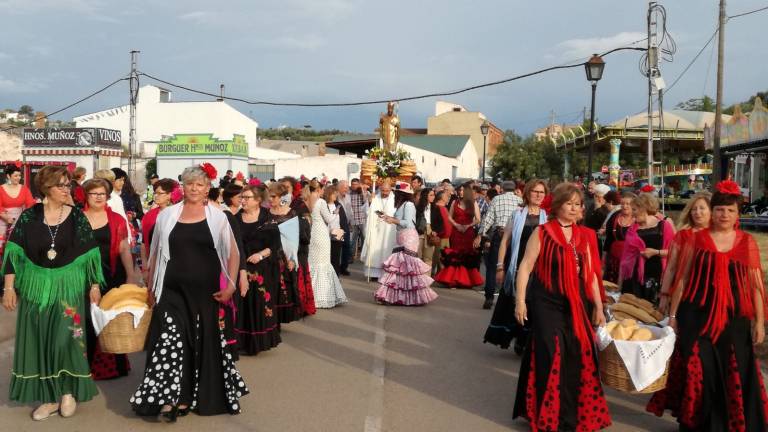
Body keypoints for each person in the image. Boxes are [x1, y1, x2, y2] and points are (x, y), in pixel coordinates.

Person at [648, 181, 767, 430]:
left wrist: (760, 322)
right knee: (700, 367)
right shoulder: (697, 239)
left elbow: (756, 286)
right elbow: (681, 279)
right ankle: (698, 423)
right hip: (695, 315)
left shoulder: (747, 242)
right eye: (720, 210)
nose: (724, 215)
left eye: (730, 210)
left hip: (734, 319)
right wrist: (672, 314)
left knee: (729, 369)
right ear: (713, 212)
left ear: (737, 214)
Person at [132, 165, 247, 420]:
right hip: (170, 290)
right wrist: (151, 285)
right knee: (169, 341)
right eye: (189, 183)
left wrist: (229, 286)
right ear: (182, 187)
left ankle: (194, 395)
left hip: (205, 294)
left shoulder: (218, 216)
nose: (194, 188)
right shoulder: (167, 216)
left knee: (198, 342)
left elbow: (233, 253)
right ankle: (171, 398)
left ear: (207, 188)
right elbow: (155, 252)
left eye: (199, 184)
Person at [2, 165, 104, 421]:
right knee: (39, 341)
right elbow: (13, 254)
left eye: (68, 185)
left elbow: (91, 253)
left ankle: (68, 391)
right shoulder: (29, 217)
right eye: (61, 185)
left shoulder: (76, 217)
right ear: (46, 188)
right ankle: (48, 398)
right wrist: (9, 288)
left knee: (65, 339)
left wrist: (93, 285)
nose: (66, 189)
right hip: (35, 290)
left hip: (67, 289)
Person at [512, 182, 610, 431]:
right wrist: (520, 301)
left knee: (576, 352)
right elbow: (525, 267)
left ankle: (570, 412)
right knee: (550, 349)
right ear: (557, 206)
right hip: (546, 300)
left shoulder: (586, 235)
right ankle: (546, 412)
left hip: (577, 302)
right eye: (569, 203)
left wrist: (599, 306)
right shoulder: (543, 232)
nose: (574, 208)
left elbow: (590, 276)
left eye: (578, 204)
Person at [483, 180, 548, 352]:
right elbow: (505, 242)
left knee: (533, 304)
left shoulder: (548, 217)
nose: (538, 195)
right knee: (515, 303)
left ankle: (525, 340)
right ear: (527, 193)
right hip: (517, 265)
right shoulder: (518, 214)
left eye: (542, 192)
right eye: (535, 191)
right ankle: (518, 339)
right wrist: (500, 266)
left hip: (539, 268)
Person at [81, 178, 134, 380]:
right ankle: (84, 367)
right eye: (94, 193)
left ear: (107, 196)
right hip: (83, 276)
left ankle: (114, 367)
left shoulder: (117, 220)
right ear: (86, 196)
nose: (98, 197)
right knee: (87, 320)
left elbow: (123, 248)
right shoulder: (78, 218)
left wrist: (130, 275)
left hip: (112, 274)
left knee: (111, 321)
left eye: (102, 194)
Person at [235, 184, 281, 355]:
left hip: (261, 269)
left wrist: (261, 255)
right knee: (242, 303)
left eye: (247, 197)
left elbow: (275, 245)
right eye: (242, 197)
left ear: (258, 200)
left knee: (259, 303)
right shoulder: (235, 219)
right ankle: (240, 342)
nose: (243, 200)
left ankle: (258, 342)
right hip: (240, 267)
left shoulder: (267, 219)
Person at [374, 181, 438, 305]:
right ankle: (403, 297)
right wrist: (389, 218)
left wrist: (392, 220)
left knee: (406, 268)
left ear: (400, 193)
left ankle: (405, 297)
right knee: (402, 269)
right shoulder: (404, 204)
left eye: (396, 192)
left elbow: (408, 223)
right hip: (403, 236)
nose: (394, 194)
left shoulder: (408, 204)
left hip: (408, 237)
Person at [657, 191, 711, 315]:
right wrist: (664, 295)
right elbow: (671, 268)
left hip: (711, 294)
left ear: (711, 210)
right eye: (694, 209)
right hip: (686, 293)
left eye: (702, 208)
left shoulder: (719, 236)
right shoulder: (683, 236)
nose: (697, 212)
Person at [618, 193, 674, 304]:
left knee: (653, 313)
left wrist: (656, 252)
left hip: (656, 276)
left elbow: (674, 252)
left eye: (634, 209)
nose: (632, 213)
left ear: (644, 207)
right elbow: (625, 259)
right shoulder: (632, 230)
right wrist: (619, 285)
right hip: (634, 279)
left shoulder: (663, 226)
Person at [475, 180, 523, 309]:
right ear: (514, 189)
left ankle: (489, 296)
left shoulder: (496, 199)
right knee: (511, 266)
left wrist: (481, 234)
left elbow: (488, 218)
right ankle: (507, 297)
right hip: (514, 234)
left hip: (499, 233)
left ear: (502, 189)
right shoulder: (519, 201)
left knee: (492, 266)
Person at [265, 182, 303, 321]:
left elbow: (293, 240)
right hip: (267, 256)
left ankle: (278, 320)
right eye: (269, 196)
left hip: (283, 257)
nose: (270, 199)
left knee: (282, 289)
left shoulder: (290, 213)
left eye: (273, 196)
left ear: (281, 197)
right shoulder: (265, 213)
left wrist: (292, 259)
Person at [434, 184, 483, 288]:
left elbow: (478, 219)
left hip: (468, 232)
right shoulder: (454, 202)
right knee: (455, 254)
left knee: (467, 254)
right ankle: (453, 279)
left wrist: (467, 226)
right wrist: (456, 225)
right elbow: (449, 217)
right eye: (459, 190)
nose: (460, 192)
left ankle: (467, 280)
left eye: (463, 190)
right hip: (456, 232)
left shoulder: (473, 203)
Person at [308, 182, 347, 309]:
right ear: (319, 189)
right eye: (323, 189)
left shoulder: (308, 201)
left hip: (313, 233)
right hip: (322, 234)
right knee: (323, 263)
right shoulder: (321, 202)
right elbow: (329, 219)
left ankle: (310, 293)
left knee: (313, 262)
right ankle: (323, 295)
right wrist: (336, 212)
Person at [141, 179, 178, 281]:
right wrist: (145, 266)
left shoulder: (178, 214)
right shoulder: (149, 215)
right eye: (155, 193)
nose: (156, 196)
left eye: (160, 193)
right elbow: (144, 243)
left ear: (170, 195)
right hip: (152, 263)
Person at [361, 179, 397, 280]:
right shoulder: (375, 198)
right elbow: (368, 212)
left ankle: (385, 274)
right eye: (383, 191)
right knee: (374, 249)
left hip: (388, 230)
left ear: (390, 190)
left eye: (387, 191)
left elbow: (395, 213)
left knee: (386, 250)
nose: (384, 193)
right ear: (380, 189)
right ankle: (373, 274)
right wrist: (370, 202)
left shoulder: (395, 199)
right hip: (376, 228)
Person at [0, 163, 36, 256]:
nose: (18, 178)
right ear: (8, 176)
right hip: (3, 221)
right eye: (15, 175)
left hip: (20, 220)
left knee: (18, 246)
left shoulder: (24, 189)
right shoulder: (1, 189)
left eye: (19, 175)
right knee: (3, 247)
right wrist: (6, 218)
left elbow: (30, 204)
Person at [602, 191, 635, 282]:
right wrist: (604, 259)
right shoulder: (615, 217)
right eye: (622, 203)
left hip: (632, 260)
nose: (625, 206)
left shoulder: (638, 218)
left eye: (628, 204)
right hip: (614, 259)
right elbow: (608, 239)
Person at [323, 185, 345, 275]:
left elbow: (343, 219)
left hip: (337, 231)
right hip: (326, 233)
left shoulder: (339, 205)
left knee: (336, 255)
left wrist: (343, 230)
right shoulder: (323, 205)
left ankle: (336, 274)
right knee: (326, 255)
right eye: (333, 194)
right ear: (328, 194)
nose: (335, 195)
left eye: (336, 194)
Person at [431, 190, 452, 276]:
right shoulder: (436, 208)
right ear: (441, 198)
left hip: (446, 237)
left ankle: (441, 276)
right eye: (446, 196)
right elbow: (434, 221)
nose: (448, 197)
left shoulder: (444, 207)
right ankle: (435, 275)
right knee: (438, 257)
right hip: (440, 237)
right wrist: (436, 232)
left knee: (443, 257)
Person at [348, 178, 369, 260]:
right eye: (353, 184)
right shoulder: (349, 193)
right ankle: (351, 256)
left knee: (364, 237)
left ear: (359, 184)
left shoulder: (362, 192)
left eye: (356, 184)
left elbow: (364, 200)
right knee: (353, 239)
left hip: (362, 219)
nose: (354, 186)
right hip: (353, 219)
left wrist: (362, 190)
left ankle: (363, 256)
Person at [415, 187, 436, 268]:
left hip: (430, 231)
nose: (433, 197)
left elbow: (439, 223)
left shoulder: (435, 207)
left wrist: (435, 230)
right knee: (417, 255)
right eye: (431, 195)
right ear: (425, 196)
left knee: (428, 256)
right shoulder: (418, 207)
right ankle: (417, 278)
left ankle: (426, 279)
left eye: (433, 195)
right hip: (419, 231)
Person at [336, 180, 352, 276]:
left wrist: (351, 222)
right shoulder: (335, 197)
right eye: (344, 187)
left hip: (346, 224)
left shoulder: (348, 197)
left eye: (347, 187)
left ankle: (344, 267)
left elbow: (350, 211)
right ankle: (336, 267)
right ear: (339, 187)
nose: (346, 189)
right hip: (337, 225)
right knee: (337, 246)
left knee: (346, 246)